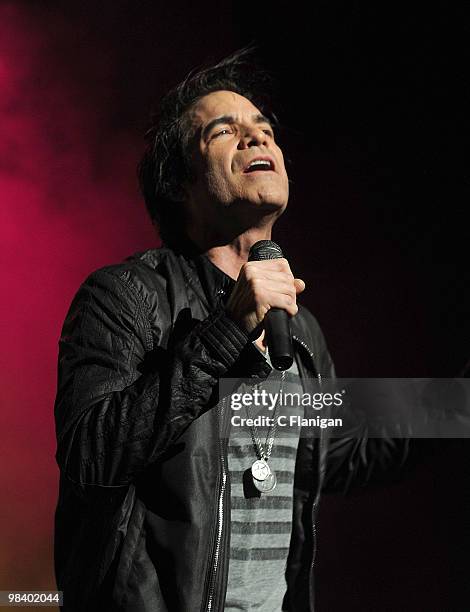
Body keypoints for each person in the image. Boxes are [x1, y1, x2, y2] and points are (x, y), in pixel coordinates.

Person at [53, 49, 405, 611]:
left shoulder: (302, 327)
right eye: (225, 131)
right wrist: (227, 331)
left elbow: (336, 452)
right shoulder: (126, 295)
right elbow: (91, 456)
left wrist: (459, 404)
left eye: (265, 130)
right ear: (177, 182)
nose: (257, 139)